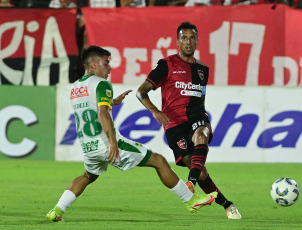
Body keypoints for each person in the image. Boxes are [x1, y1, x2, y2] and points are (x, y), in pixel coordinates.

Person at [46, 45, 217, 222]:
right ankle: (191, 200)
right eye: (106, 63)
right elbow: (102, 113)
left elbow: (91, 106)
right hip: (107, 143)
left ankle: (57, 210)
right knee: (159, 161)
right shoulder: (102, 83)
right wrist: (113, 143)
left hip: (88, 146)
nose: (110, 67)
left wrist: (112, 101)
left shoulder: (76, 86)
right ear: (93, 65)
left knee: (88, 176)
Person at [136, 22, 241, 219]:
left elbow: (201, 97)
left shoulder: (203, 69)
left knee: (201, 135)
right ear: (177, 41)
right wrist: (155, 111)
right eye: (184, 38)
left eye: (192, 37)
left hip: (197, 117)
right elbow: (141, 92)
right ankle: (227, 204)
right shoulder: (166, 64)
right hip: (174, 125)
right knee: (201, 172)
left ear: (197, 41)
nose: (188, 41)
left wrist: (202, 117)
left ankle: (190, 183)